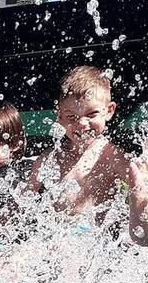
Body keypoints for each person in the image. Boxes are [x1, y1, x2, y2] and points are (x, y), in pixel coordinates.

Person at [28, 66, 130, 223]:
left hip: (97, 236)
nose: (82, 123)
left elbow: (144, 189)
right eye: (72, 117)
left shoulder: (111, 155)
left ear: (109, 111)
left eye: (91, 114)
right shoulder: (50, 158)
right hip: (60, 235)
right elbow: (23, 197)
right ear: (60, 117)